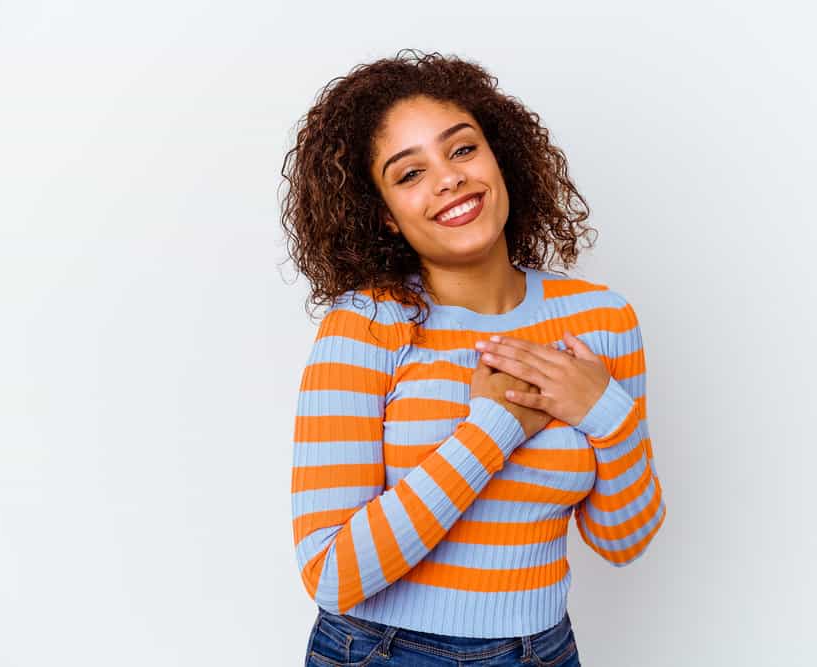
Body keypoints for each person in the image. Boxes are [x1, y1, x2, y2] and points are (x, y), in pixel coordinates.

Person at [280, 48, 666, 666]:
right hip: (384, 653)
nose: (449, 178)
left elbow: (624, 540)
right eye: (410, 173)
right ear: (384, 216)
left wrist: (605, 412)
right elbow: (331, 573)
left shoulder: (601, 319)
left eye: (462, 150)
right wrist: (492, 430)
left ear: (499, 155)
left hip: (546, 650)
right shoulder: (366, 325)